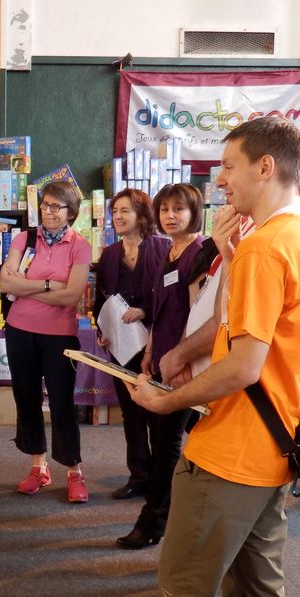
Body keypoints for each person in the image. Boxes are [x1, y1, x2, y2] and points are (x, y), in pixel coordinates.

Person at [129, 116, 300, 597]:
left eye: (228, 166)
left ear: (264, 167)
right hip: (278, 442)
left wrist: (164, 403)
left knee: (184, 585)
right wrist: (230, 254)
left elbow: (244, 366)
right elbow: (268, 330)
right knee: (258, 588)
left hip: (233, 450)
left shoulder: (266, 247)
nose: (219, 180)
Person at [116, 183, 204, 549]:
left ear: (193, 213)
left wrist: (178, 356)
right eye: (165, 209)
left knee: (167, 444)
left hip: (189, 366)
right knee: (176, 441)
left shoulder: (202, 251)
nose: (170, 216)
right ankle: (181, 516)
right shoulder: (168, 252)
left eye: (178, 210)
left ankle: (153, 521)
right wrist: (151, 351)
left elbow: (201, 315)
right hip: (165, 361)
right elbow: (161, 311)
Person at [0, 181, 92, 503]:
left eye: (57, 206)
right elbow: (5, 282)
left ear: (71, 212)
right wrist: (51, 284)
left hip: (59, 336)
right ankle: (38, 467)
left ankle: (73, 471)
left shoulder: (80, 245)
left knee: (63, 404)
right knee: (26, 398)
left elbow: (73, 294)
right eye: (46, 205)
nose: (49, 212)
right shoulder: (24, 238)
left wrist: (30, 286)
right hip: (19, 330)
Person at [94, 188, 169, 500]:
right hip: (122, 345)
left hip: (156, 342)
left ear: (141, 214)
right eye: (115, 211)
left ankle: (162, 479)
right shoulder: (110, 255)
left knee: (159, 413)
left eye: (125, 210)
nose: (118, 217)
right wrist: (103, 328)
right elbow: (101, 298)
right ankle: (139, 475)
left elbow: (173, 300)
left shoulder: (163, 249)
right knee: (131, 412)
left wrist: (146, 312)